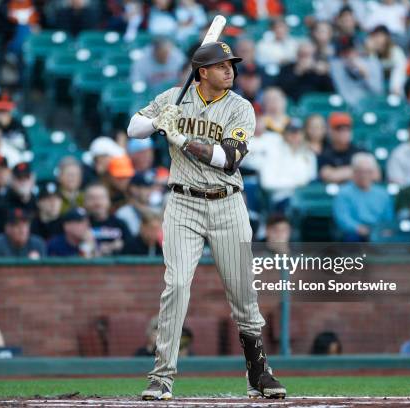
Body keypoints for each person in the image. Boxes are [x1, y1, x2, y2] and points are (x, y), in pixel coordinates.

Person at [127, 41, 286, 400]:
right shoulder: (174, 97)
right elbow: (132, 129)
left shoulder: (241, 107)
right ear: (202, 72)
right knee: (177, 286)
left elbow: (228, 157)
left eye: (231, 64)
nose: (230, 70)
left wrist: (179, 137)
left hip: (227, 203)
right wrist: (156, 121)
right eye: (221, 66)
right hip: (183, 203)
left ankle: (258, 372)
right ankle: (161, 377)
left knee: (243, 293)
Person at [256, 119, 317, 211]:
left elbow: (311, 179)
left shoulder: (309, 154)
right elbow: (267, 183)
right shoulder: (273, 152)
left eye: (298, 132)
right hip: (280, 199)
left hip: (304, 198)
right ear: (285, 134)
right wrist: (296, 183)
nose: (295, 135)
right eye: (292, 132)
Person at [333, 153, 393, 242]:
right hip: (354, 234)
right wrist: (358, 228)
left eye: (368, 172)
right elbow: (343, 218)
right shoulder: (343, 193)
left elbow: (388, 218)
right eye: (360, 172)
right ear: (354, 172)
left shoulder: (383, 194)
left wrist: (384, 230)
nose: (364, 175)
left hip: (378, 232)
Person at [330, 35, 384, 107]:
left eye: (352, 51)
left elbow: (378, 91)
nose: (349, 55)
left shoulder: (373, 63)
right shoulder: (337, 65)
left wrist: (365, 74)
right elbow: (342, 91)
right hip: (347, 107)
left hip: (370, 105)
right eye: (346, 52)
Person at [84, 183, 131, 256]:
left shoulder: (120, 223)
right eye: (92, 198)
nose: (97, 202)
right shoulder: (79, 224)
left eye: (101, 198)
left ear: (108, 200)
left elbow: (131, 248)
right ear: (85, 201)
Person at [318, 112, 365, 184]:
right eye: (339, 129)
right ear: (330, 131)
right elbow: (328, 176)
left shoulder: (359, 151)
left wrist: (338, 172)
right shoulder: (324, 152)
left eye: (347, 129)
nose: (344, 133)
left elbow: (375, 174)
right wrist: (357, 171)